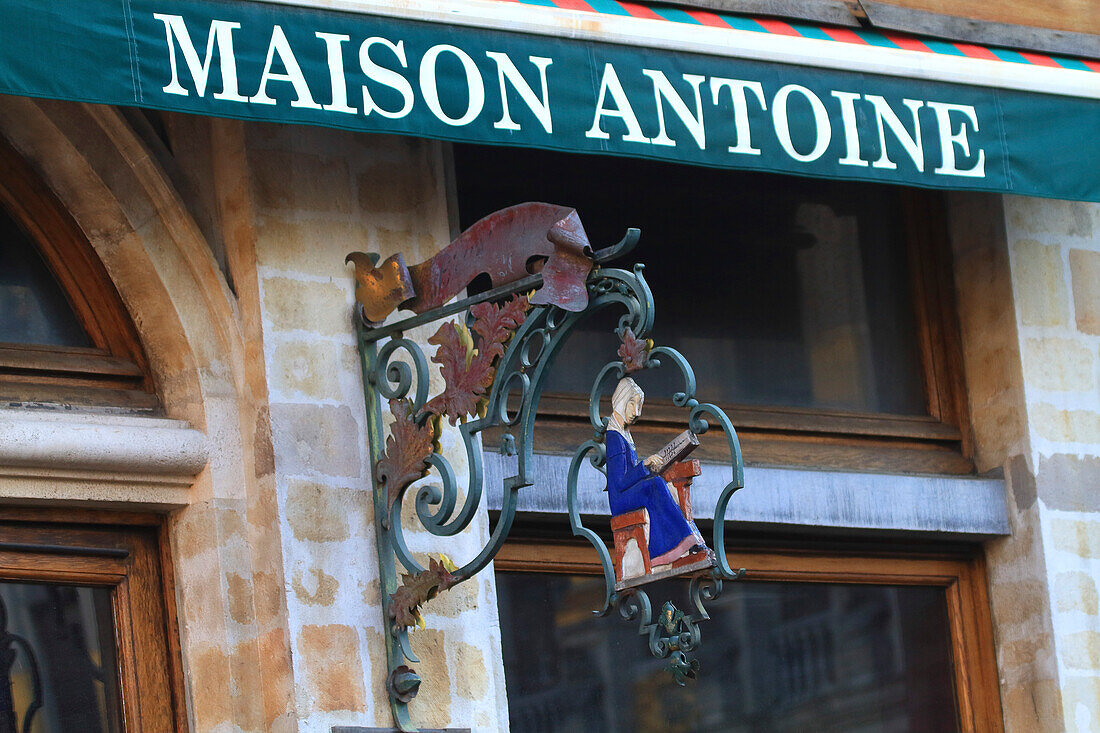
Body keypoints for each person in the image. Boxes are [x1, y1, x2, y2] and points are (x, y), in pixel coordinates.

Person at [604, 377, 707, 567]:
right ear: (621, 401)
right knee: (655, 485)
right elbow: (619, 482)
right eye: (632, 404)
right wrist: (644, 466)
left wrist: (649, 468)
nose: (637, 412)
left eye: (639, 406)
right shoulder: (614, 437)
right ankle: (677, 545)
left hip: (628, 492)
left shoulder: (624, 433)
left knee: (658, 483)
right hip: (620, 499)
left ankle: (678, 545)